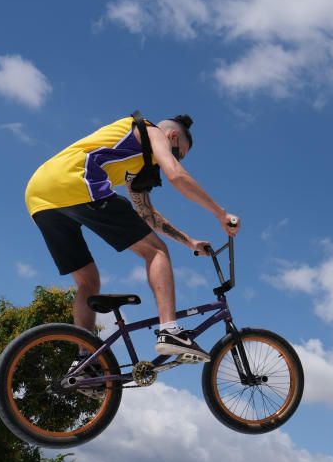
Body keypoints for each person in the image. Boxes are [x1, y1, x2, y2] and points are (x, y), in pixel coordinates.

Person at [24, 111, 240, 361]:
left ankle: (85, 357)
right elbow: (176, 175)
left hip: (40, 197)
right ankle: (170, 330)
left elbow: (146, 213)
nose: (176, 158)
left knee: (88, 281)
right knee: (155, 251)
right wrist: (220, 213)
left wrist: (188, 240)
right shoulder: (152, 131)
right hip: (76, 180)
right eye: (179, 153)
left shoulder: (135, 160)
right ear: (172, 136)